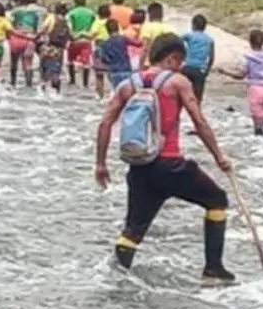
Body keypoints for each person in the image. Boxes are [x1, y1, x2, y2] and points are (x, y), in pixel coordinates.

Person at [93, 33, 236, 285]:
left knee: (133, 231)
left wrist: (101, 164)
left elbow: (105, 123)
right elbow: (199, 121)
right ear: (172, 59)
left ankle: (113, 280)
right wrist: (219, 157)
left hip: (139, 168)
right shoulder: (178, 82)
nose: (180, 67)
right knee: (217, 201)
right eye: (179, 62)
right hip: (172, 166)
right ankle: (213, 270)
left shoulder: (128, 84)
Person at [216, 30, 263, 136]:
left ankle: (260, 141)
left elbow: (240, 75)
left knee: (257, 120)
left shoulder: (247, 58)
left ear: (250, 43)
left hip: (256, 90)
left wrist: (225, 71)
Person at [7, 0, 45, 88]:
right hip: (29, 39)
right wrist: (35, 37)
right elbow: (39, 28)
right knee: (28, 64)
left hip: (16, 38)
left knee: (14, 62)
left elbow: (9, 26)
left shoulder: (15, 12)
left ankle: (13, 83)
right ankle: (28, 85)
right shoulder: (37, 13)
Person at [38, 3, 72, 93]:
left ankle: (43, 90)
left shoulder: (51, 17)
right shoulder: (66, 21)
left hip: (48, 46)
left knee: (44, 69)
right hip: (59, 49)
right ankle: (57, 92)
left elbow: (43, 29)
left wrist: (36, 38)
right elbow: (70, 35)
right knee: (56, 70)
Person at [181, 14, 216, 104]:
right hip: (200, 69)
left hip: (187, 67)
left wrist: (183, 53)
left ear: (193, 25)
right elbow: (211, 58)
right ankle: (196, 112)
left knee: (182, 92)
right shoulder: (209, 40)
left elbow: (177, 40)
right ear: (205, 27)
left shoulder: (190, 36)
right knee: (198, 97)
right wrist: (207, 70)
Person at [94, 20, 136, 91]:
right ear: (118, 28)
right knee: (128, 92)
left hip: (114, 71)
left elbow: (104, 59)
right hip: (126, 70)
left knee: (118, 92)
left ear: (107, 30)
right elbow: (138, 43)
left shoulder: (105, 43)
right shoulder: (123, 39)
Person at [65, 0, 96, 88]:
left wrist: (73, 36)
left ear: (75, 2)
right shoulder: (91, 13)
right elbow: (95, 26)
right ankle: (85, 83)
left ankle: (72, 80)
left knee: (70, 60)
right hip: (87, 40)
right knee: (86, 63)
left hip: (75, 40)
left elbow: (68, 26)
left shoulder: (71, 13)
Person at [138, 2, 175, 69]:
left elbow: (145, 49)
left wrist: (140, 66)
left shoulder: (147, 27)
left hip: (149, 65)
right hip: (164, 66)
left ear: (149, 14)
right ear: (162, 14)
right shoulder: (169, 28)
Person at [88, 4, 112, 98]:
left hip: (100, 47)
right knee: (110, 73)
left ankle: (100, 95)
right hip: (111, 47)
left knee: (99, 74)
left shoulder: (97, 23)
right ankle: (112, 93)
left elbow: (91, 34)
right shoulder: (113, 22)